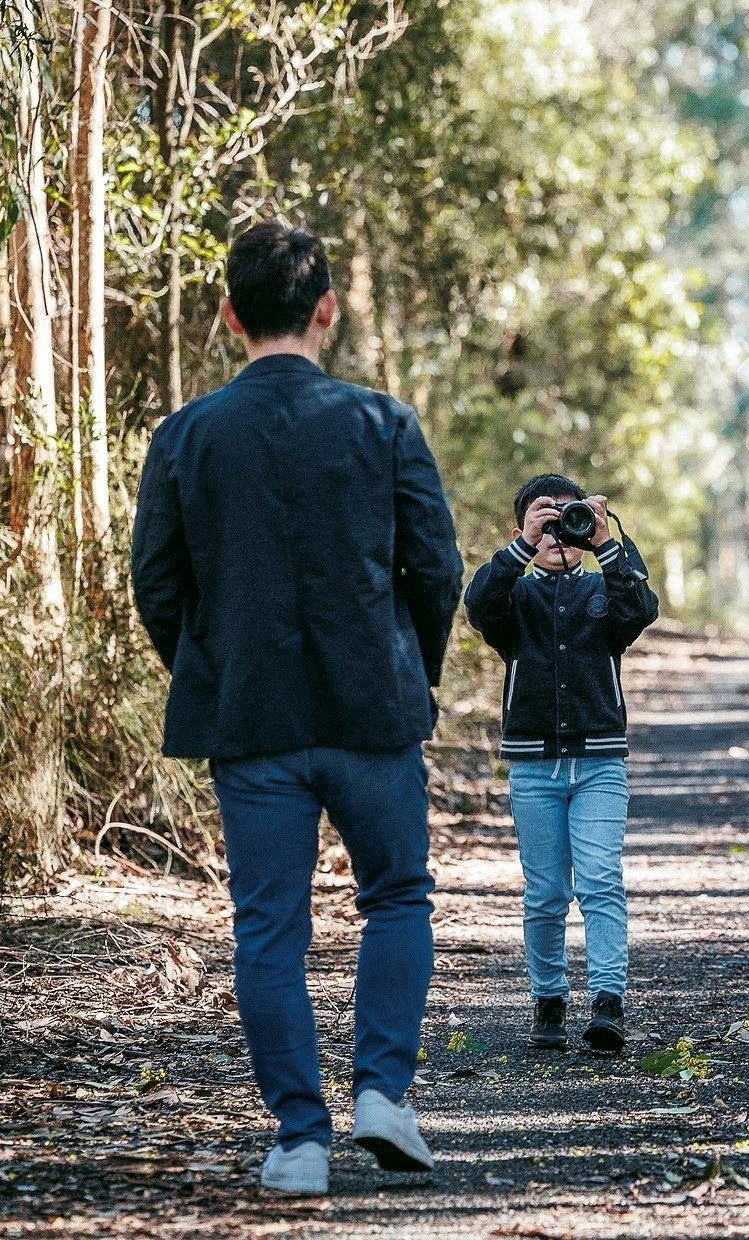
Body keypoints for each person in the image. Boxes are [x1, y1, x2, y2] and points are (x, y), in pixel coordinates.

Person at [130, 222, 463, 1194]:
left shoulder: (187, 434)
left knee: (267, 928)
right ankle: (383, 1096)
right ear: (327, 309)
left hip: (254, 722)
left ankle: (300, 1141)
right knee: (397, 895)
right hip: (373, 715)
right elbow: (435, 566)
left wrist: (214, 669)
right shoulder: (384, 422)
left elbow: (158, 582)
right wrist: (413, 669)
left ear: (229, 315)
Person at [464, 474, 660, 1054]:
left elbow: (640, 606)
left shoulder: (605, 591)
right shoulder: (516, 600)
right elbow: (478, 604)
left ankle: (608, 1002)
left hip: (600, 762)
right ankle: (548, 999)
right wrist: (520, 548)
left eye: (565, 520)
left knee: (601, 880)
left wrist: (605, 541)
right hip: (533, 767)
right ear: (523, 529)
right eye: (543, 521)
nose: (557, 533)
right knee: (546, 891)